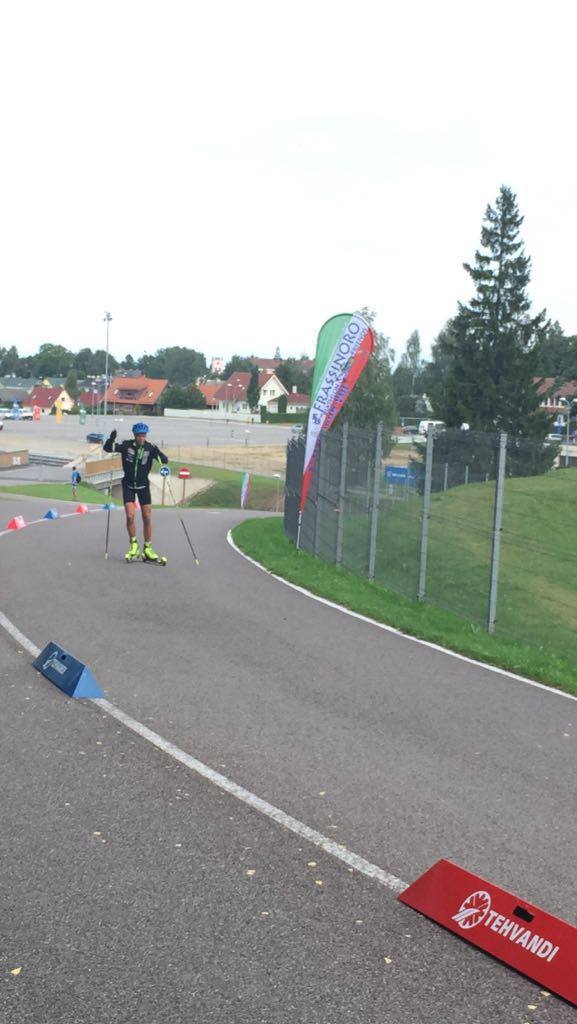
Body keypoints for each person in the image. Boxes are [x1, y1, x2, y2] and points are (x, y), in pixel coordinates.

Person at [103, 422, 168, 561]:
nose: (141, 438)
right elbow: (107, 448)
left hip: (143, 485)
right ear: (134, 435)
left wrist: (162, 458)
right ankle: (134, 545)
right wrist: (111, 439)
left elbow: (164, 460)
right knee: (130, 516)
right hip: (128, 485)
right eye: (138, 435)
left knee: (147, 517)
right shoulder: (126, 446)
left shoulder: (150, 448)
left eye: (143, 435)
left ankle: (148, 548)